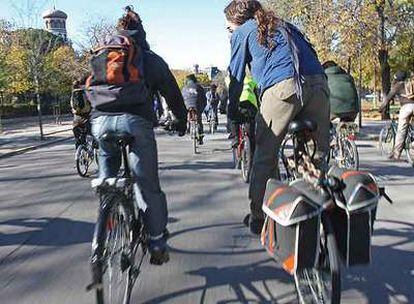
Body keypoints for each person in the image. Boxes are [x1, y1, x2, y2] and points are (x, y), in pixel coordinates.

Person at [90, 7, 187, 265]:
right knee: (147, 186)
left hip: (100, 122)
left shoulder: (104, 54)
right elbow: (171, 92)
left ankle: (108, 226)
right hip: (136, 123)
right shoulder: (148, 58)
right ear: (142, 32)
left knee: (107, 181)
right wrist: (180, 119)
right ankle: (156, 242)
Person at [225, 0, 330, 235]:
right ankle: (318, 208)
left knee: (265, 155)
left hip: (283, 88)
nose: (229, 33)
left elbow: (236, 77)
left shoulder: (243, 31)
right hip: (319, 85)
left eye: (228, 28)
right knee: (315, 156)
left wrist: (232, 112)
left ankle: (260, 216)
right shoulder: (286, 25)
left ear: (237, 21)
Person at [380, 71, 414, 160]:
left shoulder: (397, 86)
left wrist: (381, 108)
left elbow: (387, 99)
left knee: (401, 130)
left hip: (406, 108)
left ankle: (396, 154)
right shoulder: (410, 84)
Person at [181, 74, 207, 144]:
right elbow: (204, 99)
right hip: (197, 105)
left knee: (187, 115)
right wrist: (202, 108)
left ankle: (188, 126)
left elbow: (181, 99)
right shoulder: (199, 87)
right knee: (199, 120)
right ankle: (200, 137)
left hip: (187, 105)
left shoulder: (184, 88)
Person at [71, 79, 92, 148]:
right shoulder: (85, 93)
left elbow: (72, 106)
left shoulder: (73, 94)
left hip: (76, 118)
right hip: (86, 117)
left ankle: (78, 150)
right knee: (93, 132)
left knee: (77, 136)